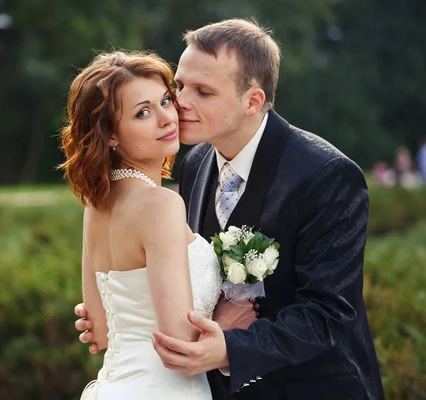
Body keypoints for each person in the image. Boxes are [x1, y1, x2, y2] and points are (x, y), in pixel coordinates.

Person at [75, 19, 385, 400]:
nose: (181, 104)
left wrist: (229, 348)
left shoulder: (327, 176)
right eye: (180, 86)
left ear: (253, 101)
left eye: (203, 91)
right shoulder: (194, 164)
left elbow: (328, 312)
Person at [59, 50, 256, 399]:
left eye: (165, 100)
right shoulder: (161, 204)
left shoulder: (97, 203)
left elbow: (100, 334)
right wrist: (227, 324)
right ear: (111, 135)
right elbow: (178, 345)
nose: (167, 118)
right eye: (142, 113)